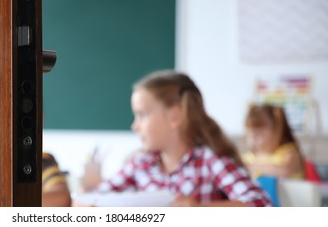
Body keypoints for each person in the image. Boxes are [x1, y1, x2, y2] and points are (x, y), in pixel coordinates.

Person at [95, 70, 272, 207]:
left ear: (174, 117)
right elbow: (95, 198)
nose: (135, 126)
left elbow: (260, 203)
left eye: (142, 115)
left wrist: (199, 211)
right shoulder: (141, 164)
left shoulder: (209, 160)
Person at [242, 104, 305, 180]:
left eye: (260, 133)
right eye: (250, 133)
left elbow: (285, 171)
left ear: (277, 130)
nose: (254, 137)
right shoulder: (246, 158)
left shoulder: (290, 153)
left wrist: (247, 166)